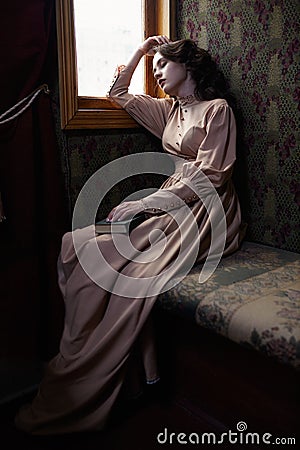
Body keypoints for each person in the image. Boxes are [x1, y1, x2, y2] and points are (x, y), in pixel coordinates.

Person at [15, 36, 245, 435]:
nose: (156, 71)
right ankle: (111, 367)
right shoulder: (168, 112)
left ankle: (116, 380)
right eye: (152, 65)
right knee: (77, 245)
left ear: (187, 65)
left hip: (211, 209)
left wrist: (145, 204)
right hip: (171, 200)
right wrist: (140, 52)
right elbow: (118, 93)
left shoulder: (217, 110)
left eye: (162, 63)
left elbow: (212, 175)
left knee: (124, 268)